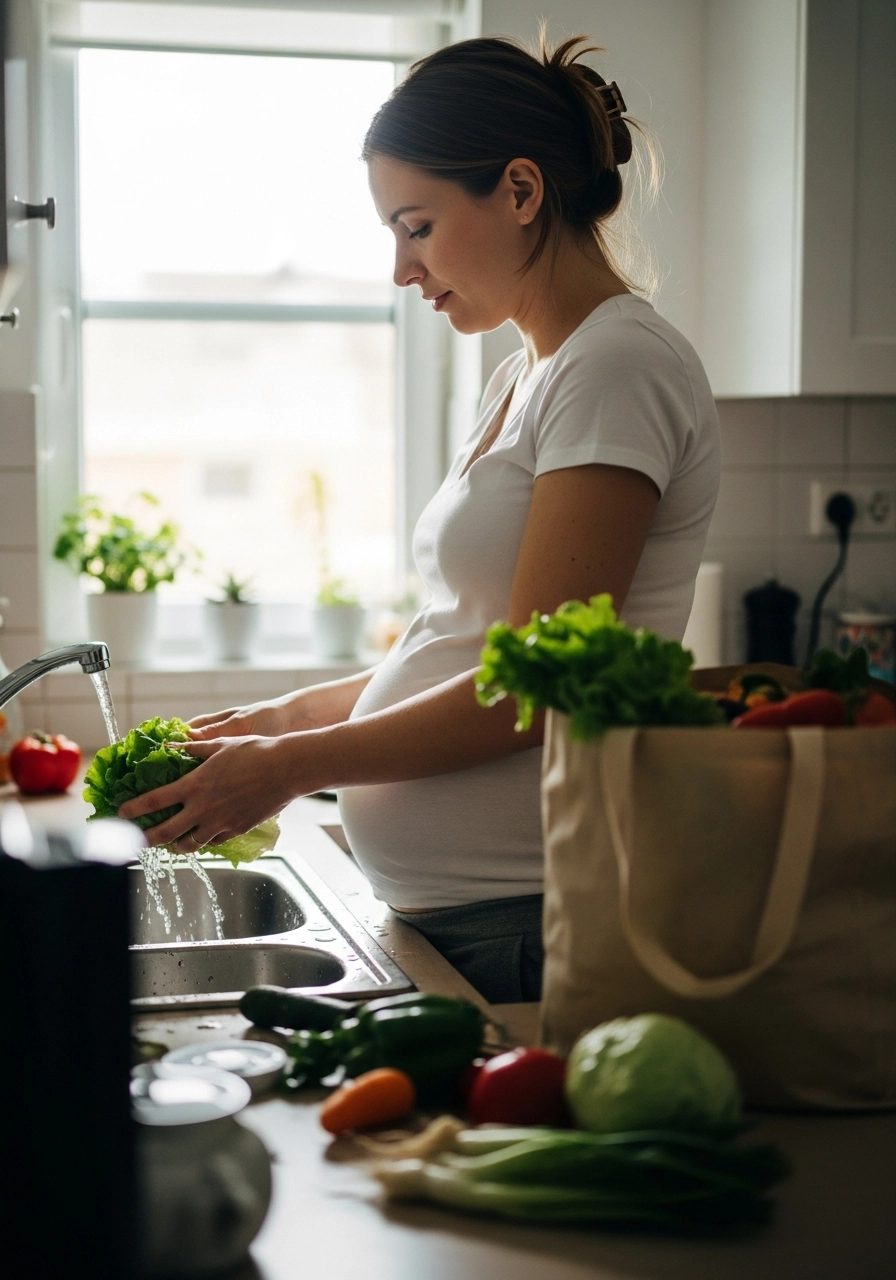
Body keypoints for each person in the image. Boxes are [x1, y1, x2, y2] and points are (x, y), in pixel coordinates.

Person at [119, 35, 720, 1003]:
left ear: (520, 191)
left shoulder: (618, 365)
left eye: (417, 225)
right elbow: (462, 642)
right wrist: (273, 723)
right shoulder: (526, 375)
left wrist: (284, 764)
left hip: (529, 920)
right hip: (475, 920)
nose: (401, 267)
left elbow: (535, 682)